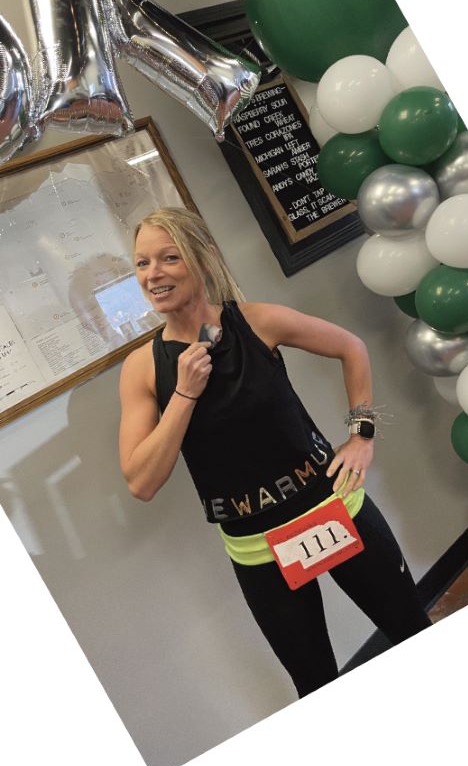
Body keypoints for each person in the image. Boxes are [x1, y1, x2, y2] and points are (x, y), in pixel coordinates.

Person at [117, 207, 430, 698]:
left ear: (203, 257)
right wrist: (184, 394)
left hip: (334, 512)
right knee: (315, 683)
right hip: (258, 550)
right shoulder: (142, 368)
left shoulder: (257, 321)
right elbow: (141, 482)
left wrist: (361, 435)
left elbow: (351, 347)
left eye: (168, 258)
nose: (152, 274)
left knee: (413, 631)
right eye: (141, 264)